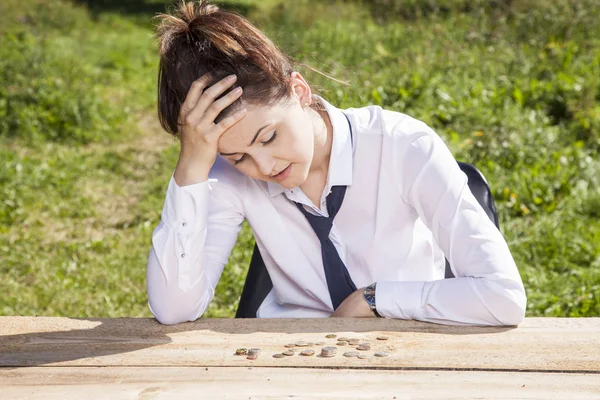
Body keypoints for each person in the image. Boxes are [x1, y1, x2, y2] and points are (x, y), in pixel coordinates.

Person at [146, 0, 527, 326]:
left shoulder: (403, 146)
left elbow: (503, 295)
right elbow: (174, 309)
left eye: (268, 137)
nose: (263, 166)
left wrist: (374, 299)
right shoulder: (229, 176)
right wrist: (192, 168)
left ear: (299, 91)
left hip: (407, 348)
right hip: (286, 364)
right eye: (239, 156)